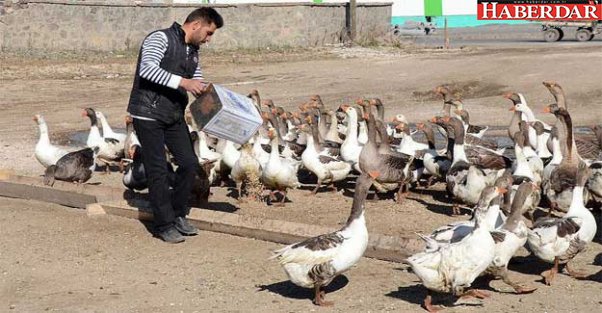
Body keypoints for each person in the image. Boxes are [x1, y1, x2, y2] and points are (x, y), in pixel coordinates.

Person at [127, 7, 224, 243]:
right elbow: (147, 69)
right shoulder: (159, 38)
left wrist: (208, 94)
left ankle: (178, 213)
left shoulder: (193, 50)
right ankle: (163, 224)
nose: (209, 40)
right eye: (209, 33)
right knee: (158, 169)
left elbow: (196, 79)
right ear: (196, 25)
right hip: (148, 113)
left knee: (190, 164)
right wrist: (184, 82)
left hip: (173, 114)